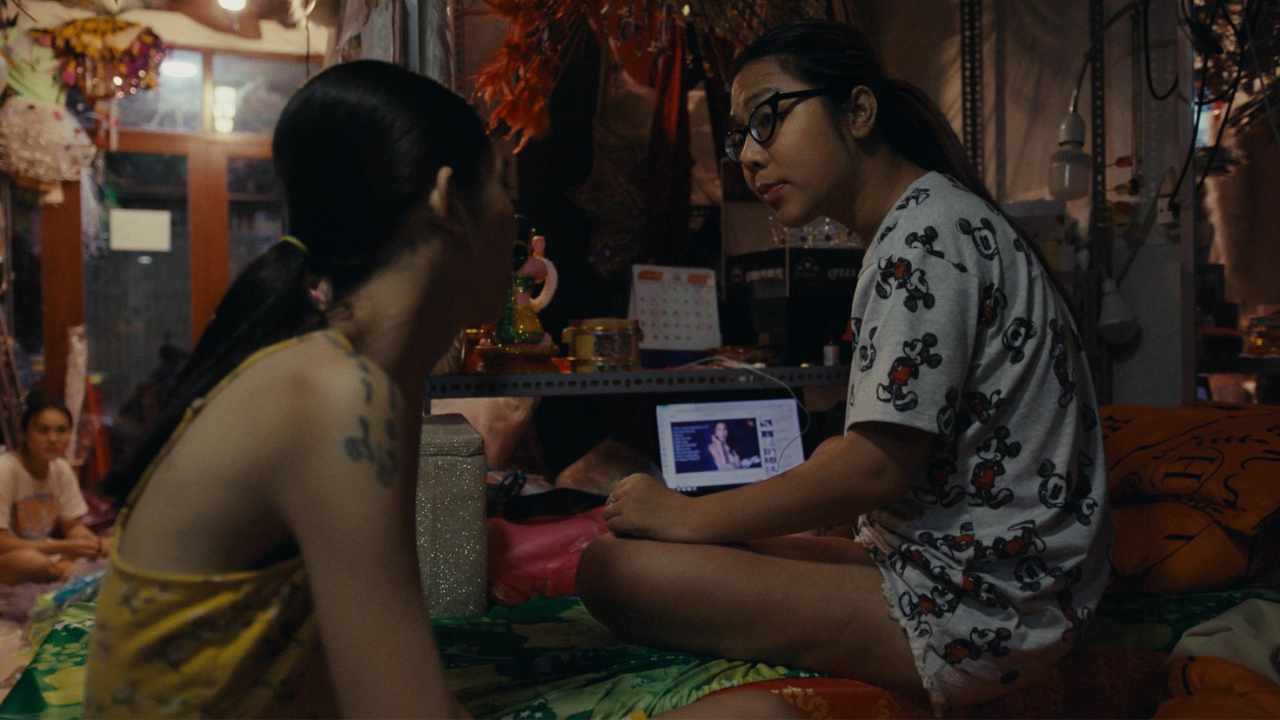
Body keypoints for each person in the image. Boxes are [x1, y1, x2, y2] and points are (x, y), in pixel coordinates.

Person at [577, 21, 1111, 715]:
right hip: (951, 570)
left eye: (768, 118)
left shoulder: (925, 233)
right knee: (650, 552)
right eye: (740, 136)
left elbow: (873, 468)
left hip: (985, 610)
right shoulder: (928, 218)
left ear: (858, 112)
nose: (749, 156)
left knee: (614, 569)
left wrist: (690, 516)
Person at [84, 61, 514, 718]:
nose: (517, 216)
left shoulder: (349, 379)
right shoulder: (338, 397)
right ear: (448, 200)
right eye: (504, 186)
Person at [0, 392, 106, 584]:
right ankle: (63, 572)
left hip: (46, 554)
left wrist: (87, 542)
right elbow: (2, 543)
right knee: (30, 561)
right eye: (43, 430)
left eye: (61, 430)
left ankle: (62, 571)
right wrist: (63, 546)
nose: (53, 438)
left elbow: (72, 525)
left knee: (109, 547)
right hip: (13, 557)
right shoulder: (5, 469)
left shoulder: (61, 468)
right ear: (25, 433)